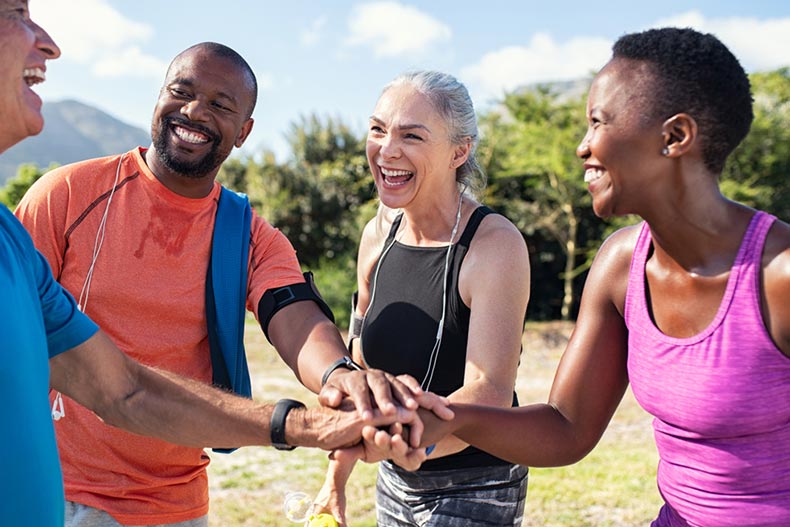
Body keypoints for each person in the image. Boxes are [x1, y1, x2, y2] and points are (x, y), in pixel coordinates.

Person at [0, 3, 450, 527]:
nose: (194, 112)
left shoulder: (247, 234)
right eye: (182, 92)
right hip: (62, 491)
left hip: (178, 503)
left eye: (219, 104)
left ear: (244, 130)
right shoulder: (68, 194)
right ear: (159, 98)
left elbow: (294, 314)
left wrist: (342, 377)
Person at [416, 27, 790, 527]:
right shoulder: (620, 264)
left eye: (597, 123)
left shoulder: (779, 277)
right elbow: (565, 428)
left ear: (675, 137)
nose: (582, 147)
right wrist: (442, 416)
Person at [311, 70, 531, 527]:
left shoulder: (493, 245)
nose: (387, 150)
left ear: (459, 151)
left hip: (477, 485)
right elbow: (360, 370)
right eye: (378, 130)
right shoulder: (376, 236)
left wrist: (408, 441)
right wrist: (336, 477)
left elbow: (489, 392)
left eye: (411, 135)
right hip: (394, 478)